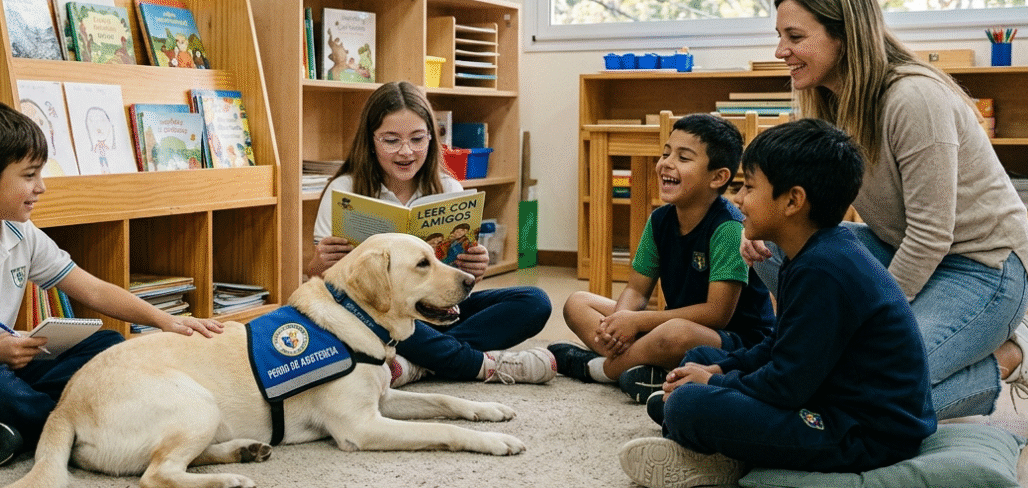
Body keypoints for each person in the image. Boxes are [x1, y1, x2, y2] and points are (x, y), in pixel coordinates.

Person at [743, 0, 1028, 420]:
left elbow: (932, 234)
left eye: (795, 36)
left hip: (981, 265)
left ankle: (1008, 357)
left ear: (845, 34)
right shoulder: (828, 100)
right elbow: (809, 211)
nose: (782, 52)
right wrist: (760, 226)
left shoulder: (914, 98)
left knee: (874, 394)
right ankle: (815, 349)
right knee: (772, 244)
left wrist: (866, 324)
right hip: (900, 246)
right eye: (780, 36)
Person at [621, 118, 937, 488]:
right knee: (702, 361)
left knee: (689, 406)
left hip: (861, 433)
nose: (738, 199)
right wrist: (719, 373)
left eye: (749, 187)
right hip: (828, 397)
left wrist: (716, 386)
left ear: (793, 201)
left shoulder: (824, 270)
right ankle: (709, 430)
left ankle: (716, 450)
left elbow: (787, 385)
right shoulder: (812, 253)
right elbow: (779, 345)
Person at [0, 101, 224, 469]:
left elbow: (91, 289)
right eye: (29, 176)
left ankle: (7, 427)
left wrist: (164, 320)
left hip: (5, 359)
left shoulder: (20, 233)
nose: (41, 187)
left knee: (107, 346)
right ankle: (75, 429)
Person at [309, 81, 555, 386]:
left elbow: (452, 280)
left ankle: (419, 363)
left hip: (433, 311)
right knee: (380, 321)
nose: (405, 151)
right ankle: (472, 363)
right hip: (378, 313)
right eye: (390, 140)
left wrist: (472, 269)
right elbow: (324, 286)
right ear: (371, 140)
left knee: (534, 301)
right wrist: (318, 264)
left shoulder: (447, 188)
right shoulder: (344, 189)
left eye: (417, 139)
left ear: (431, 138)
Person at [549, 114, 774, 403]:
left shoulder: (729, 228)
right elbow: (636, 289)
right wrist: (621, 321)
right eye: (666, 153)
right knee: (578, 302)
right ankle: (641, 364)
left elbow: (717, 313)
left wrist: (637, 321)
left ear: (718, 177)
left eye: (684, 157)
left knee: (674, 334)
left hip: (731, 340)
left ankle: (600, 369)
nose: (666, 163)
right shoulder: (659, 220)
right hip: (670, 324)